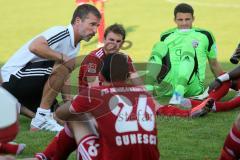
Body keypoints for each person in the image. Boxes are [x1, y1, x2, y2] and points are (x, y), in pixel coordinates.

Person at [34, 23, 140, 160]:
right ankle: (56, 123)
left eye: (118, 41)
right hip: (89, 103)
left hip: (108, 100)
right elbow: (94, 89)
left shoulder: (123, 58)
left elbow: (138, 84)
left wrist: (144, 97)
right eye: (111, 40)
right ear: (104, 39)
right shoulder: (94, 58)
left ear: (122, 43)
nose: (114, 44)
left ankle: (48, 152)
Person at [0, 4, 101, 132]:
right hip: (11, 78)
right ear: (78, 21)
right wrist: (62, 57)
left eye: (97, 26)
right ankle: (40, 119)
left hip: (29, 83)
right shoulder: (62, 32)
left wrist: (68, 103)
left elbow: (65, 74)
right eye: (92, 24)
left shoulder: (75, 45)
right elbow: (35, 46)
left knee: (59, 116)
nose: (95, 31)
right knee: (62, 65)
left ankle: (20, 107)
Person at [57, 53, 160, 160]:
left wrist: (77, 100)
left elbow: (60, 113)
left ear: (100, 76)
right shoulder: (145, 96)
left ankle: (46, 156)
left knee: (76, 119)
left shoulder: (95, 94)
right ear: (128, 75)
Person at [146, 3, 223, 105]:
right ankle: (147, 91)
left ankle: (178, 93)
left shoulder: (205, 35)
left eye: (187, 19)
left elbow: (214, 64)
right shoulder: (165, 36)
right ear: (174, 20)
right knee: (159, 46)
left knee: (189, 45)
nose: (184, 23)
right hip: (167, 87)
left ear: (193, 18)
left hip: (192, 86)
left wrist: (224, 82)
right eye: (180, 20)